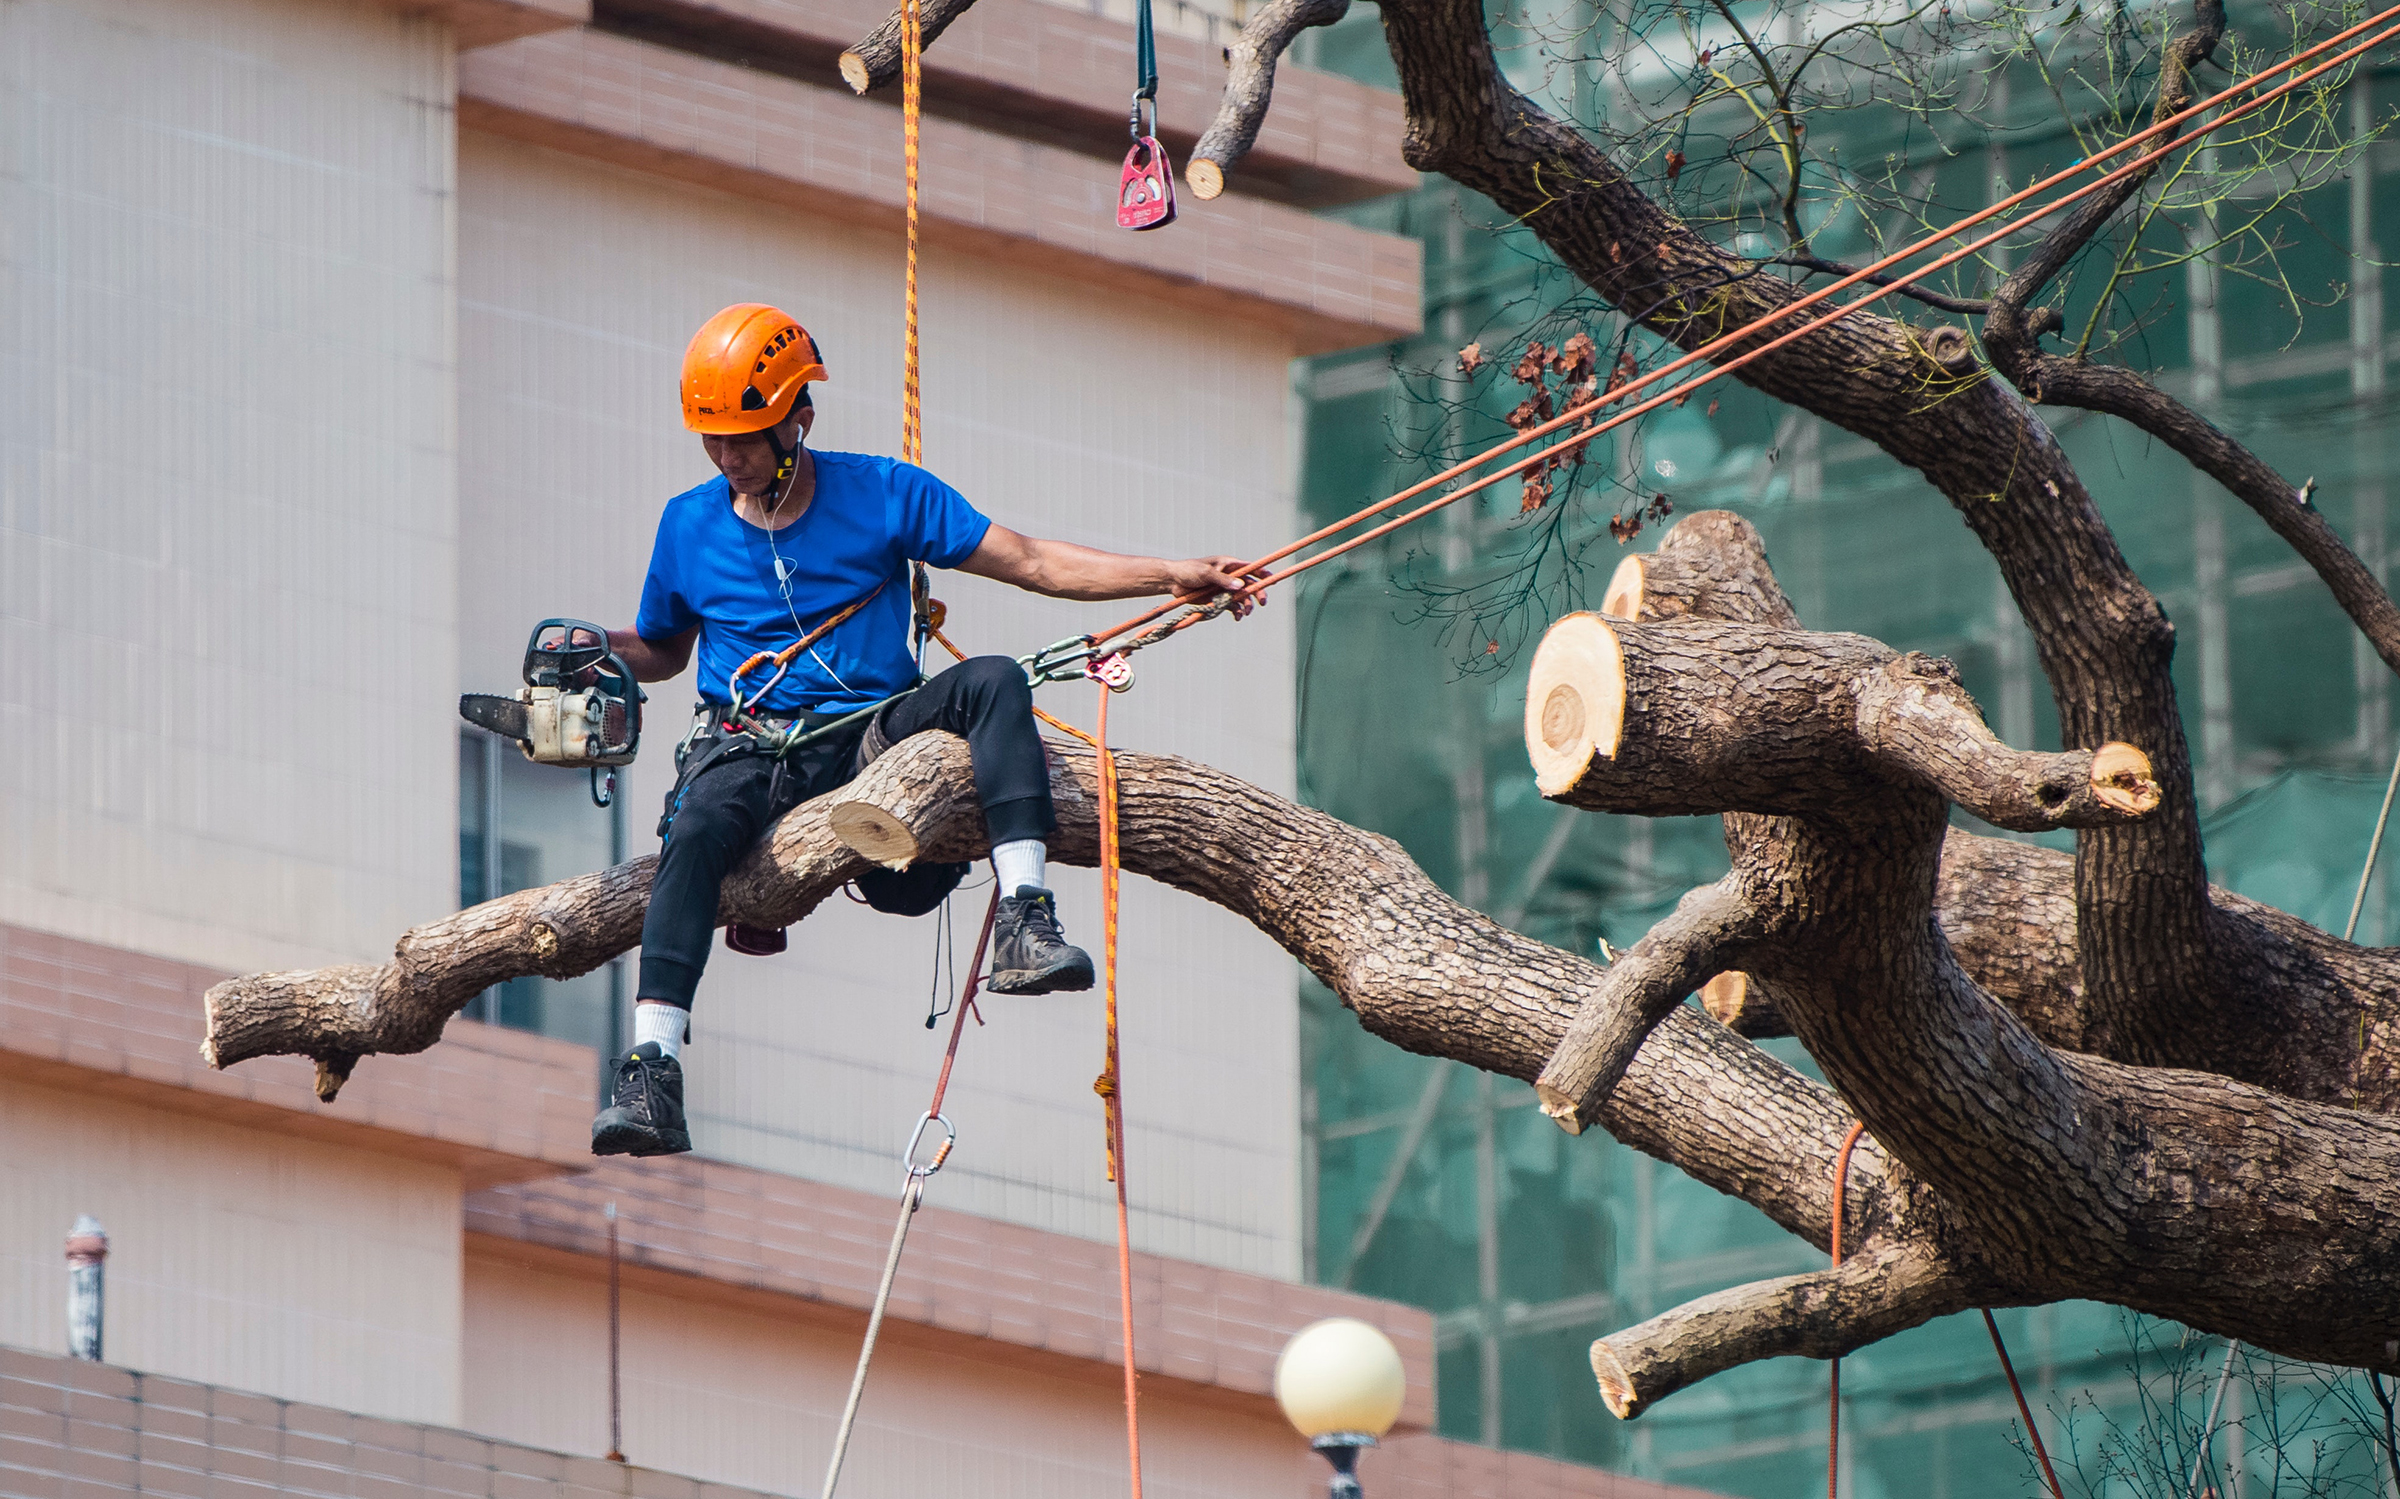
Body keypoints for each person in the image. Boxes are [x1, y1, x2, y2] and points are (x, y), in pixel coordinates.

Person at [585, 303, 1260, 1157]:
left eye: (746, 438)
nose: (729, 458)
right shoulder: (689, 523)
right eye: (713, 440)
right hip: (750, 744)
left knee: (993, 680)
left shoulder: (883, 493)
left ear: (800, 419)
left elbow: (1034, 561)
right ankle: (654, 1070)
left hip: (872, 735)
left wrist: (1172, 575)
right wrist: (597, 648)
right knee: (695, 832)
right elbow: (665, 649)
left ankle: (1026, 914)